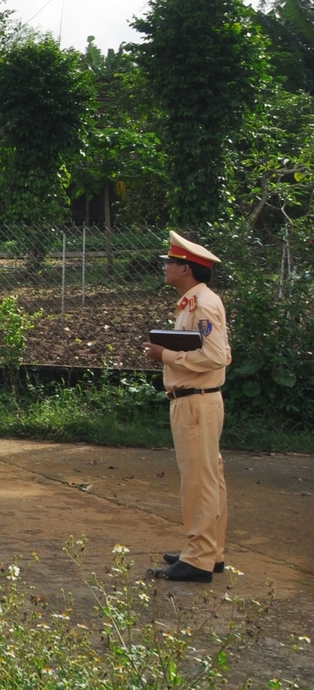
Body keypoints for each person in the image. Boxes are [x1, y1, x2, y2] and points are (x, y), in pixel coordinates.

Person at [144, 232, 232, 583]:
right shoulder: (196, 302)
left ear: (185, 268)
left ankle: (198, 558)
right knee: (209, 478)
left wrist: (165, 355)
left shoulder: (202, 305)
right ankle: (211, 551)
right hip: (199, 401)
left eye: (169, 262)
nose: (164, 267)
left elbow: (215, 355)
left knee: (199, 481)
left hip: (195, 402)